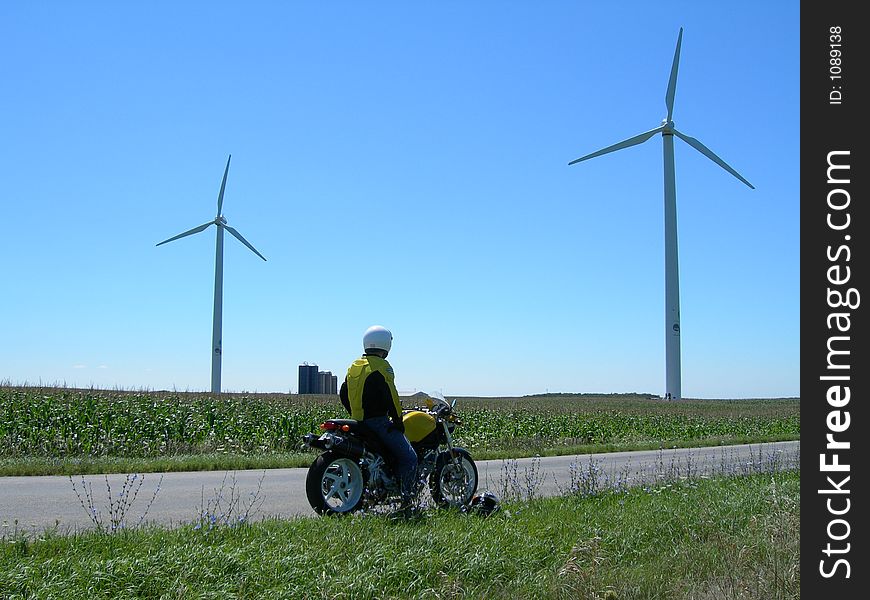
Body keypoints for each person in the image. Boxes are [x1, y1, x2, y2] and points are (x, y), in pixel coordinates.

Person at [339, 325, 418, 506]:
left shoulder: (355, 366)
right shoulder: (382, 367)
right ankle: (408, 499)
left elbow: (343, 393)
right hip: (378, 422)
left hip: (359, 422)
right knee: (409, 458)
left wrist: (354, 412)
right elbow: (391, 395)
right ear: (386, 345)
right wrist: (398, 420)